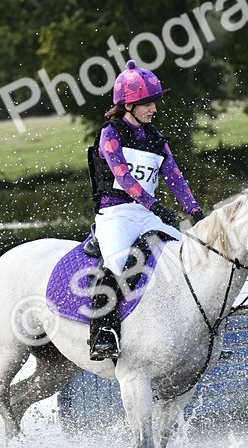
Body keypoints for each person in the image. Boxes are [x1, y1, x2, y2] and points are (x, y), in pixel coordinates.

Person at [85, 59, 204, 361]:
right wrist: (155, 205)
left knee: (186, 257)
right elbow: (122, 176)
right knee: (116, 265)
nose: (153, 109)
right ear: (128, 106)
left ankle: (196, 333)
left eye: (154, 103)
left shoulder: (155, 137)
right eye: (147, 103)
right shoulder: (110, 133)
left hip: (146, 213)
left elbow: (174, 176)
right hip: (116, 215)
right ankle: (103, 334)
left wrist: (196, 212)